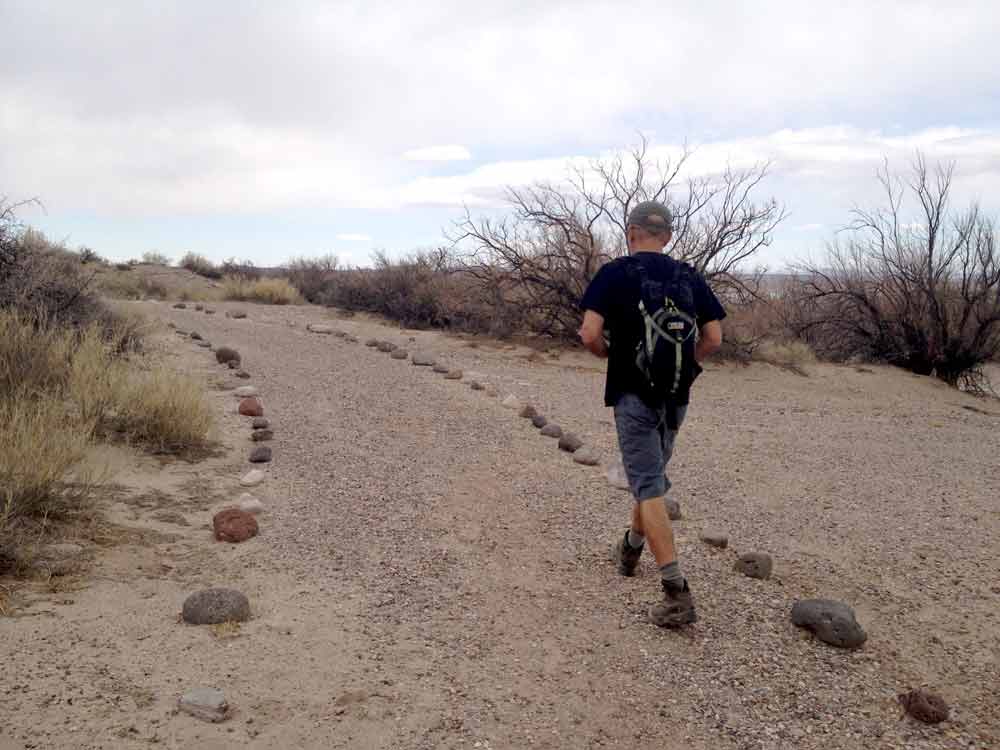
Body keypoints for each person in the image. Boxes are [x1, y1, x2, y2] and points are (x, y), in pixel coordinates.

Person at [578, 200, 725, 627]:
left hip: (632, 393)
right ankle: (630, 547)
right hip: (677, 395)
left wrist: (609, 353)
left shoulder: (614, 274)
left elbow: (589, 333)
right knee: (651, 480)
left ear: (631, 232)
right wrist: (688, 365)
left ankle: (676, 590)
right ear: (669, 236)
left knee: (648, 486)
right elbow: (714, 337)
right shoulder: (688, 276)